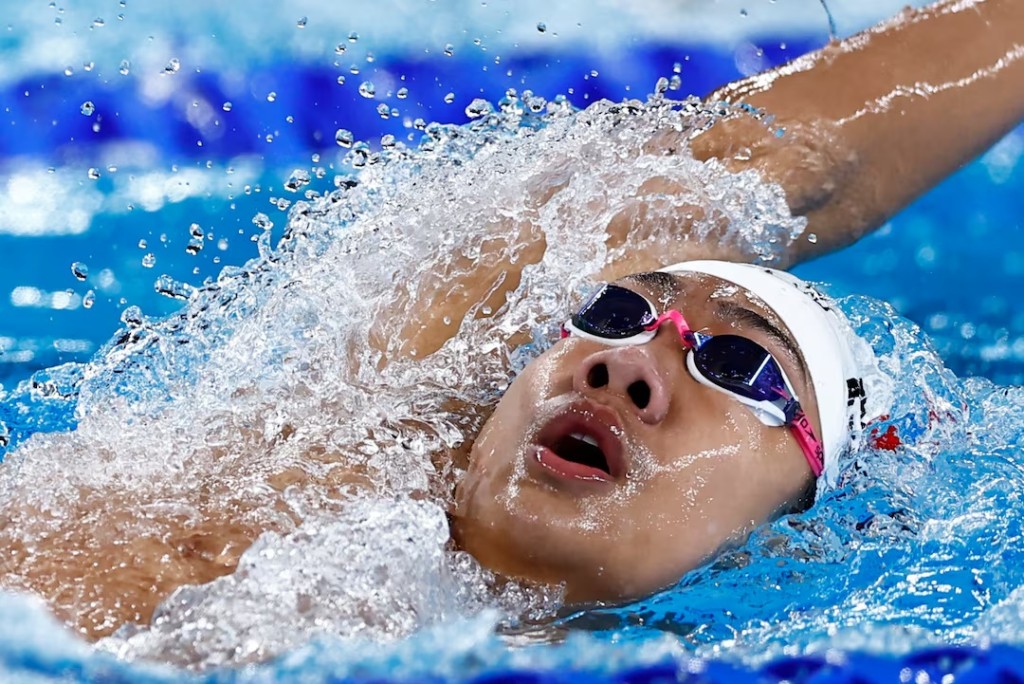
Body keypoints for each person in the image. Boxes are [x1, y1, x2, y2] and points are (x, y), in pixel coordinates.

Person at [1, 0, 1022, 646]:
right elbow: (783, 166)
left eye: (741, 365)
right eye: (617, 313)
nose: (626, 365)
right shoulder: (373, 423)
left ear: (789, 538)